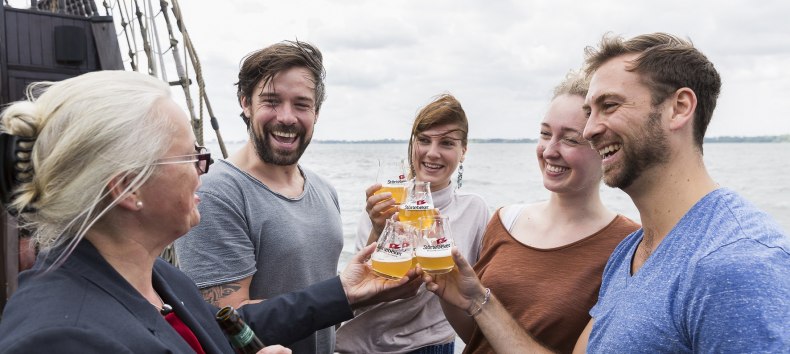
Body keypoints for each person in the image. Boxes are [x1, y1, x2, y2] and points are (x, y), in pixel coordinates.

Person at [0, 70, 417, 353]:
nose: (204, 170)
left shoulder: (159, 278)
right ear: (128, 186)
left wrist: (346, 291)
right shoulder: (62, 339)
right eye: (189, 158)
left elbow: (219, 329)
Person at [424, 32, 790, 353]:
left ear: (679, 108)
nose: (591, 129)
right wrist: (477, 301)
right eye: (590, 110)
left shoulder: (739, 262)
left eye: (609, 105)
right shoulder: (629, 254)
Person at [440, 72, 639, 354]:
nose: (549, 151)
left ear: (603, 148)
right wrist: (446, 293)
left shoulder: (629, 245)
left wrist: (480, 303)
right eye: (545, 134)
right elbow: (479, 336)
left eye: (570, 140)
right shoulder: (505, 220)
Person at [174, 40, 344, 354]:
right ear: (246, 103)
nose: (287, 117)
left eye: (302, 104)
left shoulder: (324, 189)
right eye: (272, 101)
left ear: (316, 112)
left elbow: (327, 307)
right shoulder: (217, 192)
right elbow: (224, 324)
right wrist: (348, 294)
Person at [335, 94, 491, 353]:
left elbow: (479, 295)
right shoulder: (385, 203)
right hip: (364, 345)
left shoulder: (475, 210)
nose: (432, 153)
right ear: (412, 144)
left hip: (432, 345)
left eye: (447, 143)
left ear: (463, 151)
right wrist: (378, 229)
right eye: (424, 140)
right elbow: (360, 292)